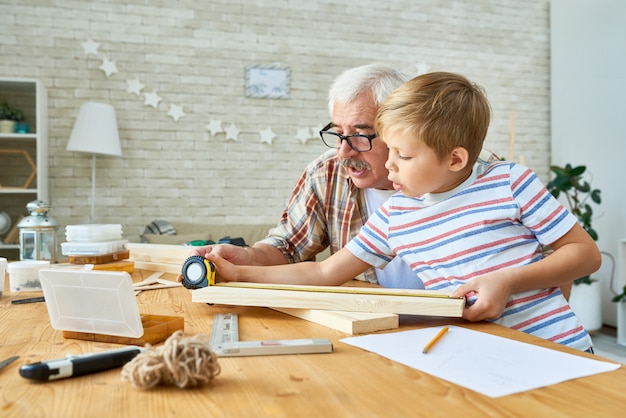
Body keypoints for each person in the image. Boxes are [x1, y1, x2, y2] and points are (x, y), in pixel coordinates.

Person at [204, 71, 601, 351]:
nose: (390, 164)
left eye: (403, 154)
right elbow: (324, 272)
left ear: (455, 159)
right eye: (389, 150)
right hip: (478, 351)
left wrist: (508, 281)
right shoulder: (397, 214)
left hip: (554, 347)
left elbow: (585, 254)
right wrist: (239, 273)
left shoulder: (508, 182)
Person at [187, 63, 427, 288]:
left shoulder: (447, 183)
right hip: (369, 321)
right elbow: (294, 250)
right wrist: (247, 257)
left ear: (400, 130)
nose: (344, 151)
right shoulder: (326, 172)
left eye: (361, 134)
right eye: (338, 133)